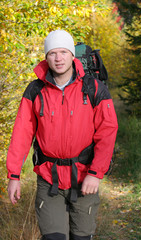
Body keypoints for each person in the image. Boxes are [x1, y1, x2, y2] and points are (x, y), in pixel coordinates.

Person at [6, 30, 118, 240]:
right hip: (49, 180)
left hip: (84, 177)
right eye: (53, 53)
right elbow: (21, 132)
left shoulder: (93, 88)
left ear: (72, 55)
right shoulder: (35, 90)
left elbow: (108, 132)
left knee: (82, 237)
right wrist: (14, 176)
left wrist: (95, 173)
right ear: (46, 57)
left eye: (63, 52)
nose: (58, 59)